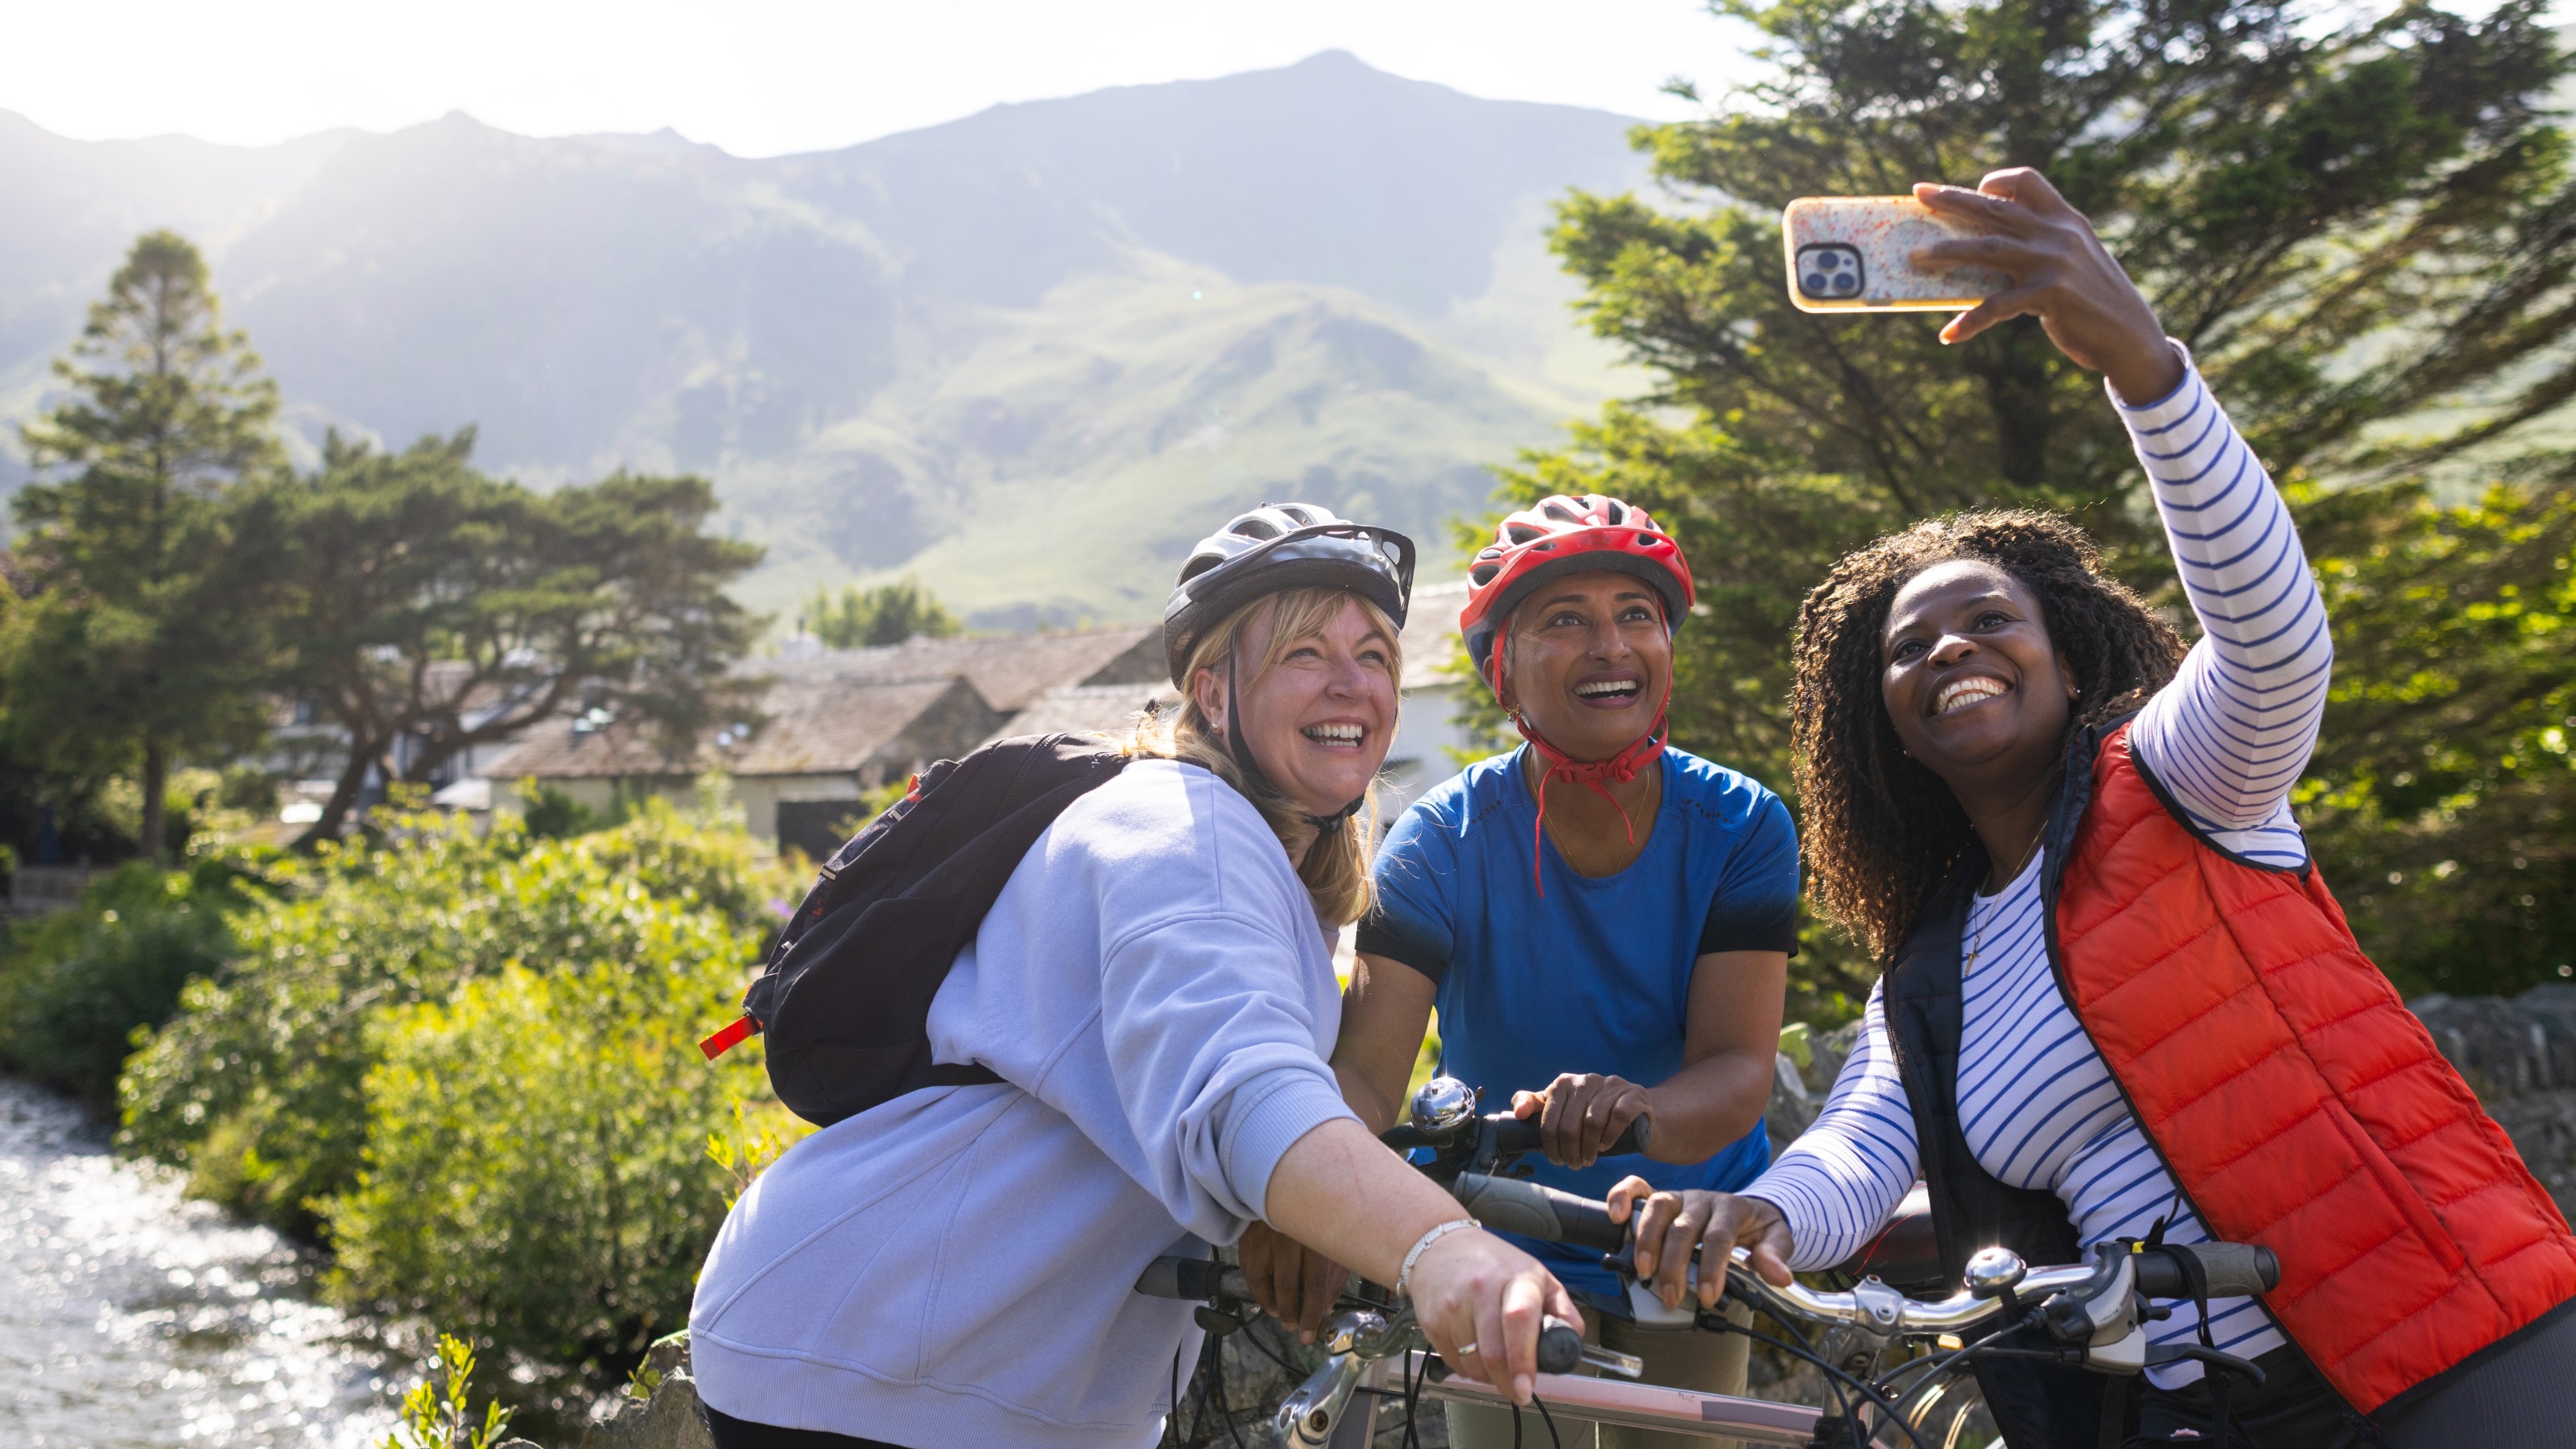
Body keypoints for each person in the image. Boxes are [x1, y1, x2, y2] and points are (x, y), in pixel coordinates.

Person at [1612, 169, 2576, 1449]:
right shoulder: (1935, 972)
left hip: (2452, 1349)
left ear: (2067, 659)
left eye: (1990, 620)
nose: (1952, 650)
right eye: (1911, 649)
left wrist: (2146, 370)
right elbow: (1856, 1147)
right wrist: (1764, 1216)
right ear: (1881, 724)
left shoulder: (2180, 780)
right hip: (2201, 1416)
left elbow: (2274, 647)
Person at [687, 504, 1584, 1449]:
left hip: (936, 1360)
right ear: (1210, 689)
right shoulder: (1181, 832)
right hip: (877, 1357)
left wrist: (1294, 1204)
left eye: (1374, 657)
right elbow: (1235, 1086)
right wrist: (1440, 1249)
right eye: (1303, 655)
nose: (1351, 685)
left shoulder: (1262, 856)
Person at [1241, 497, 1798, 1449]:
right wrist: (1294, 1182)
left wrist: (1637, 1112)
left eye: (1636, 614)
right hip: (1500, 1245)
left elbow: (1739, 1071)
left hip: (1682, 1237)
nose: (1610, 645)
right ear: (1502, 665)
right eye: (1564, 621)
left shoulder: (1740, 826)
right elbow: (1371, 1070)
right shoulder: (1440, 841)